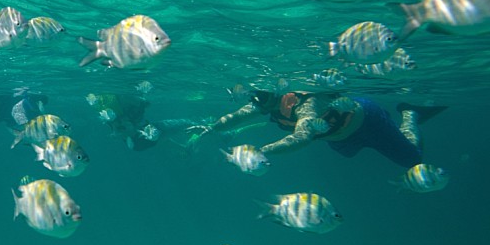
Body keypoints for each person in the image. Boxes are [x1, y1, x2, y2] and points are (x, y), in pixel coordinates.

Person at [190, 89, 445, 168]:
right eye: (255, 96)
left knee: (412, 159)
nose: (257, 101)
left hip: (368, 120)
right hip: (339, 137)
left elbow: (302, 136)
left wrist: (262, 151)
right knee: (350, 154)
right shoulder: (264, 103)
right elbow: (236, 117)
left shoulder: (305, 103)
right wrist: (211, 128)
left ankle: (410, 115)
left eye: (263, 95)